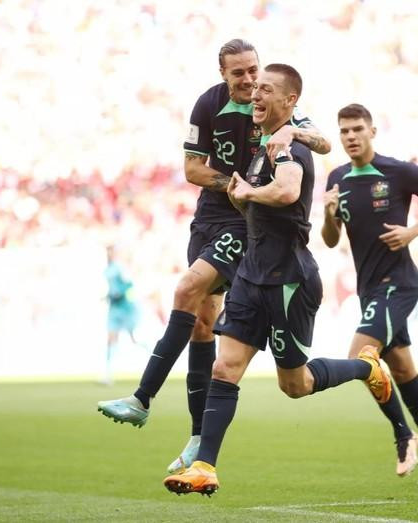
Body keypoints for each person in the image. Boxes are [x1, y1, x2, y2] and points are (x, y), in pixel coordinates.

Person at [97, 39, 332, 475]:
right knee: (203, 323)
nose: (249, 81)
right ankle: (196, 437)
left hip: (247, 223)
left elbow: (324, 143)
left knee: (187, 287)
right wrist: (233, 183)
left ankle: (142, 396)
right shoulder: (208, 104)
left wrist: (290, 136)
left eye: (254, 71)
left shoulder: (282, 108)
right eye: (239, 73)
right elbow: (191, 169)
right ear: (223, 74)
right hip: (210, 216)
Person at [163, 64, 391, 497]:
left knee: (296, 385)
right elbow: (263, 203)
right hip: (251, 275)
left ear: (290, 102)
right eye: (255, 89)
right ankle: (205, 467)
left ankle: (365, 366)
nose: (255, 95)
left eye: (266, 89)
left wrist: (248, 194)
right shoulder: (262, 145)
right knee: (224, 366)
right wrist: (241, 197)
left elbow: (287, 191)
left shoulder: (289, 147)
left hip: (288, 280)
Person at [321, 103, 418, 484]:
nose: (350, 137)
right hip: (369, 289)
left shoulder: (398, 171)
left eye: (356, 129)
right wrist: (329, 214)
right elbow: (331, 241)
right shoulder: (337, 178)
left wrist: (412, 231)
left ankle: (403, 434)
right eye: (344, 131)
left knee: (360, 356)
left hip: (398, 284)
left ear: (372, 131)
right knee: (401, 370)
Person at [102, 245, 142, 386]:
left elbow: (129, 284)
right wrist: (108, 296)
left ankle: (155, 358)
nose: (109, 254)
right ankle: (108, 375)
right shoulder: (107, 269)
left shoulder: (119, 268)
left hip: (126, 308)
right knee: (111, 340)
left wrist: (119, 293)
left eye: (111, 251)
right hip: (114, 309)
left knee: (134, 338)